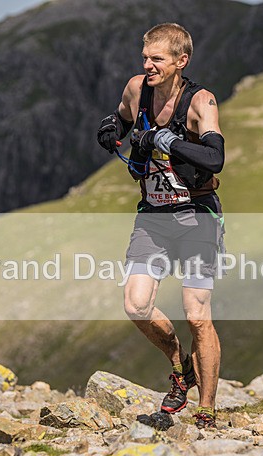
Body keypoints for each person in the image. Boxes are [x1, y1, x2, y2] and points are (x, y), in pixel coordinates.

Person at [96, 23, 225, 429]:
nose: (147, 65)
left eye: (157, 59)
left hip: (197, 216)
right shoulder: (138, 89)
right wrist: (111, 129)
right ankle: (179, 366)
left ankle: (206, 407)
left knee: (197, 314)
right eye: (145, 57)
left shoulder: (200, 101)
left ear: (180, 61)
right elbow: (120, 115)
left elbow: (215, 158)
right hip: (153, 216)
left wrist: (167, 142)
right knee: (135, 305)